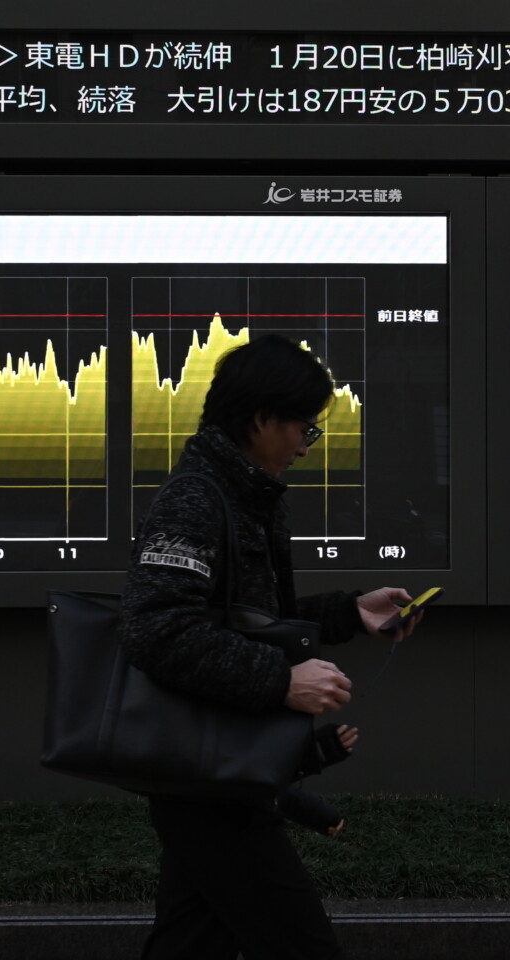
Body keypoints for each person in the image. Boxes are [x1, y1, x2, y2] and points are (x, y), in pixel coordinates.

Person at [120, 333, 422, 960]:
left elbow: (252, 622)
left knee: (190, 945)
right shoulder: (196, 500)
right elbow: (156, 629)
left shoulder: (245, 496)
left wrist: (350, 612)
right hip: (212, 778)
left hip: (220, 770)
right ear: (261, 419)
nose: (305, 446)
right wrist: (281, 680)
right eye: (303, 428)